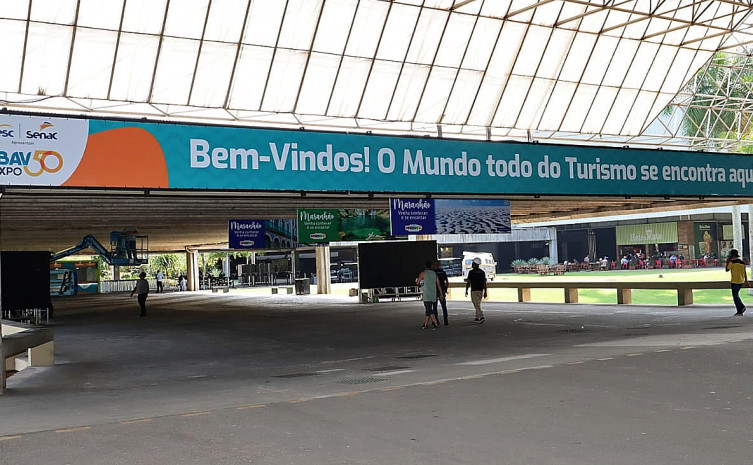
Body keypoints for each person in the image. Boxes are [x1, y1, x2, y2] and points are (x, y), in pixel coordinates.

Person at [416, 260, 441, 330]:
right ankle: (425, 324)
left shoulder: (423, 273)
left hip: (426, 294)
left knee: (429, 309)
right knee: (428, 309)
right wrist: (441, 293)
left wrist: (421, 284)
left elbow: (417, 283)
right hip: (433, 294)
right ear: (431, 266)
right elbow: (438, 284)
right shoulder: (434, 274)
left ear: (425, 266)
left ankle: (435, 323)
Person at [725, 249, 748, 316]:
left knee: (735, 296)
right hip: (741, 281)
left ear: (733, 255)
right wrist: (746, 281)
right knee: (736, 295)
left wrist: (727, 262)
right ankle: (742, 307)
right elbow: (744, 272)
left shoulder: (732, 262)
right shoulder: (742, 262)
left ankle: (739, 311)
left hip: (734, 281)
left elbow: (727, 269)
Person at [465, 258, 487, 323]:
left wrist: (466, 290)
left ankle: (481, 316)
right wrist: (485, 291)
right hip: (480, 290)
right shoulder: (482, 272)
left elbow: (468, 282)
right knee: (478, 304)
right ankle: (477, 317)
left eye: (473, 263)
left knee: (476, 304)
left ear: (474, 264)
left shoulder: (471, 272)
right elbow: (484, 282)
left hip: (474, 290)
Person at [433, 260, 450, 326]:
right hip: (442, 290)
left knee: (434, 306)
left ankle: (436, 320)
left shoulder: (433, 272)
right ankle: (445, 319)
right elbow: (447, 282)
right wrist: (445, 289)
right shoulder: (443, 272)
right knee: (443, 305)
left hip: (434, 290)